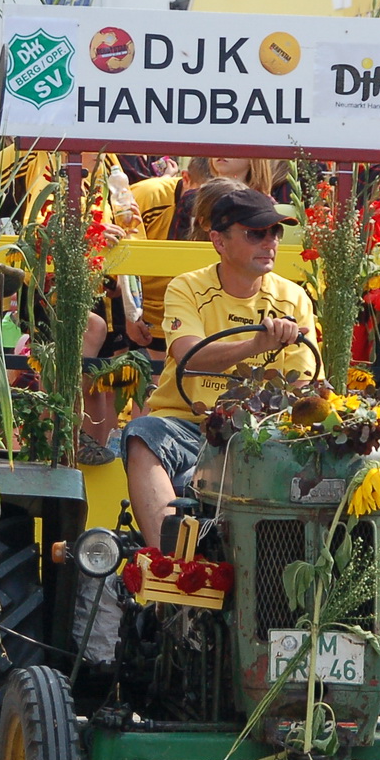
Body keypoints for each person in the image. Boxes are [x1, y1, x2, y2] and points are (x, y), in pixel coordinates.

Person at [122, 186, 315, 542]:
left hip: (261, 433)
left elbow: (303, 387)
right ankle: (171, 562)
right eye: (256, 233)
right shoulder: (187, 288)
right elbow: (189, 356)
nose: (270, 242)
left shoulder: (295, 298)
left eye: (275, 232)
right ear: (219, 241)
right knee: (142, 434)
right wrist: (256, 344)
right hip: (187, 426)